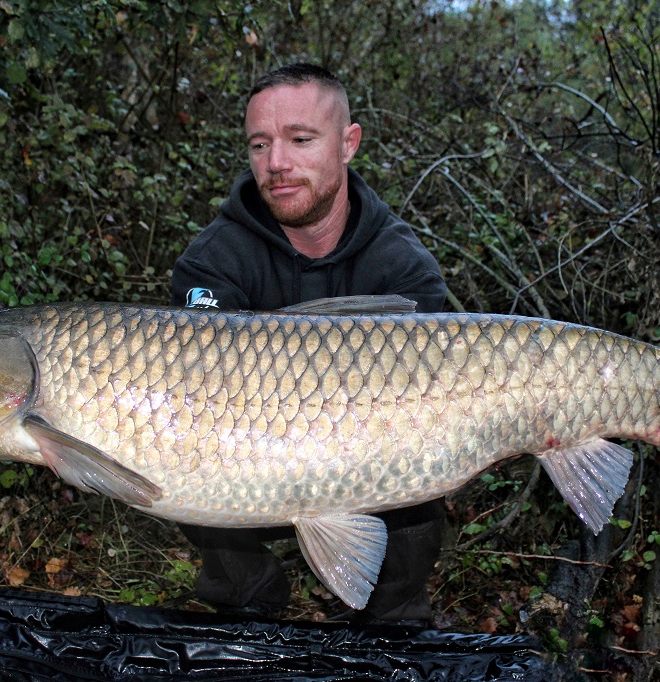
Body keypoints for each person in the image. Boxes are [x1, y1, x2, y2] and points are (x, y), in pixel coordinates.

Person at [169, 63, 447, 626]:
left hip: (378, 454)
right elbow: (200, 401)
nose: (276, 164)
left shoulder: (402, 265)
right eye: (260, 144)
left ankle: (392, 615)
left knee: (423, 472)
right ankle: (248, 596)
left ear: (349, 144)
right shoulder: (212, 260)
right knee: (179, 452)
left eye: (300, 140)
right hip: (249, 455)